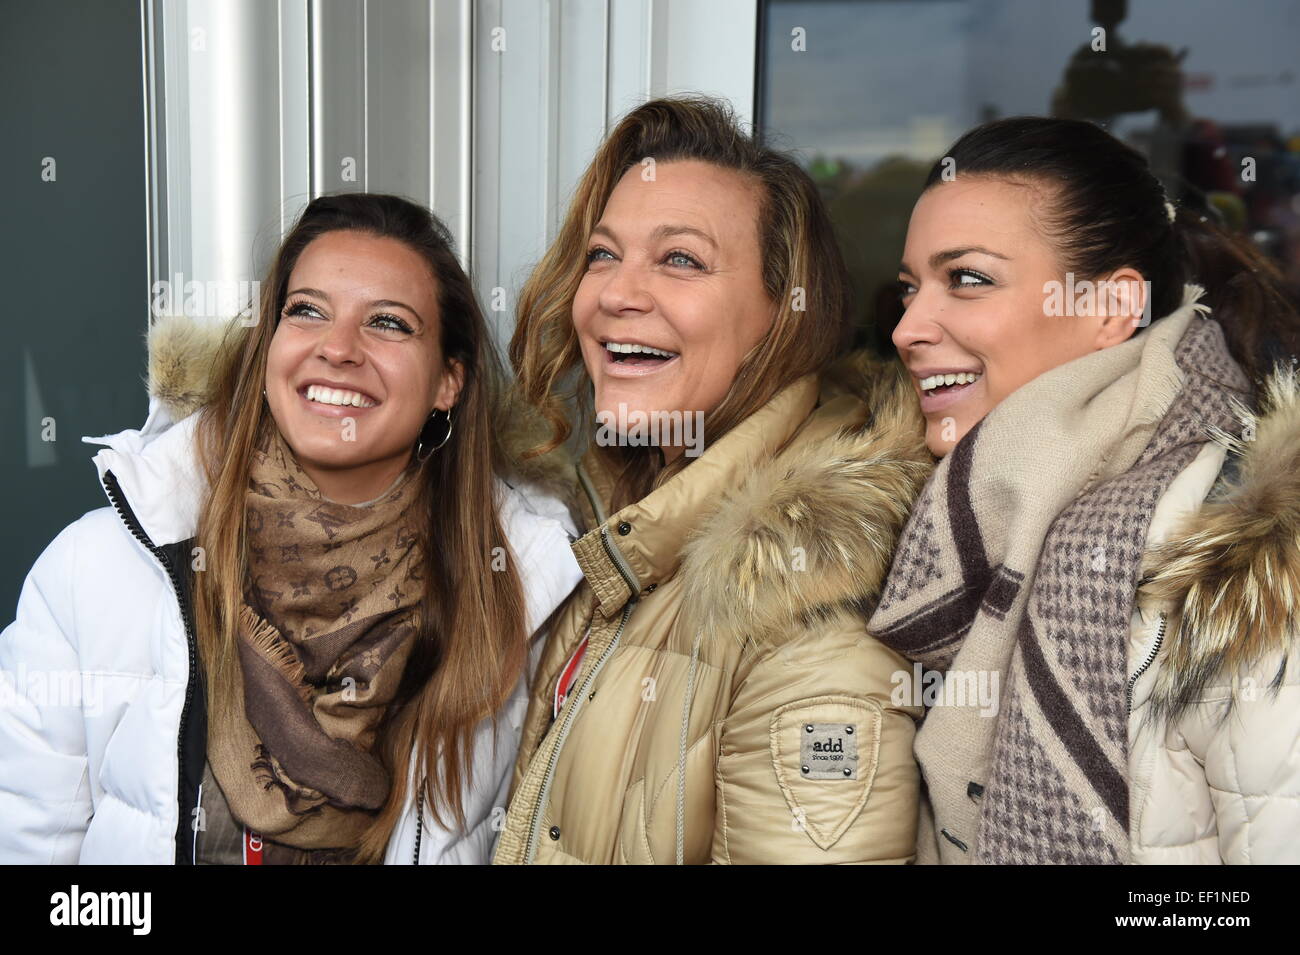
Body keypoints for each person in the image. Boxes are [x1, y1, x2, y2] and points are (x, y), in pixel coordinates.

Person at [0, 193, 581, 864]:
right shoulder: (96, 570)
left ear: (448, 381)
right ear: (269, 344)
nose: (337, 348)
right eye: (306, 310)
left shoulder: (524, 601)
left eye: (388, 323)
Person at [494, 96, 935, 865]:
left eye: (681, 259)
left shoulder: (809, 621)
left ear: (784, 314)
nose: (615, 295)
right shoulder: (627, 518)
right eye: (603, 254)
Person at [871, 116, 1300, 863]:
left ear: (1109, 308)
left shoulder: (1237, 550)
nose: (908, 326)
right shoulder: (945, 516)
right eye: (910, 289)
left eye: (966, 278)